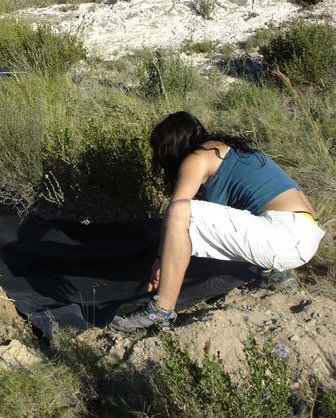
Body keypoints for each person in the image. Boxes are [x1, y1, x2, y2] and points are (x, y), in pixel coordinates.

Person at [111, 111, 326, 332]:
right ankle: (272, 273)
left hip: (283, 237)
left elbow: (175, 213)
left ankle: (160, 311)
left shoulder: (197, 157)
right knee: (229, 216)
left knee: (179, 212)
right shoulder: (234, 152)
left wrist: (159, 262)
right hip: (305, 235)